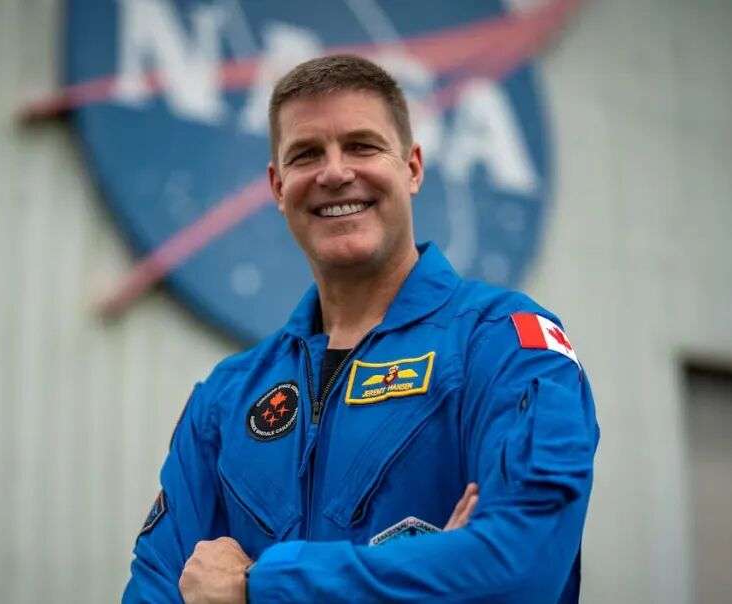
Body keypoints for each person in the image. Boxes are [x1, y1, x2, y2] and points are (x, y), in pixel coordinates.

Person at [122, 54, 599, 603]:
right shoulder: (226, 400)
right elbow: (154, 592)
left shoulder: (506, 345)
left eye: (362, 146)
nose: (334, 173)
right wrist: (433, 572)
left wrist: (260, 586)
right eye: (306, 154)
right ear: (278, 187)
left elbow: (516, 568)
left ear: (412, 168)